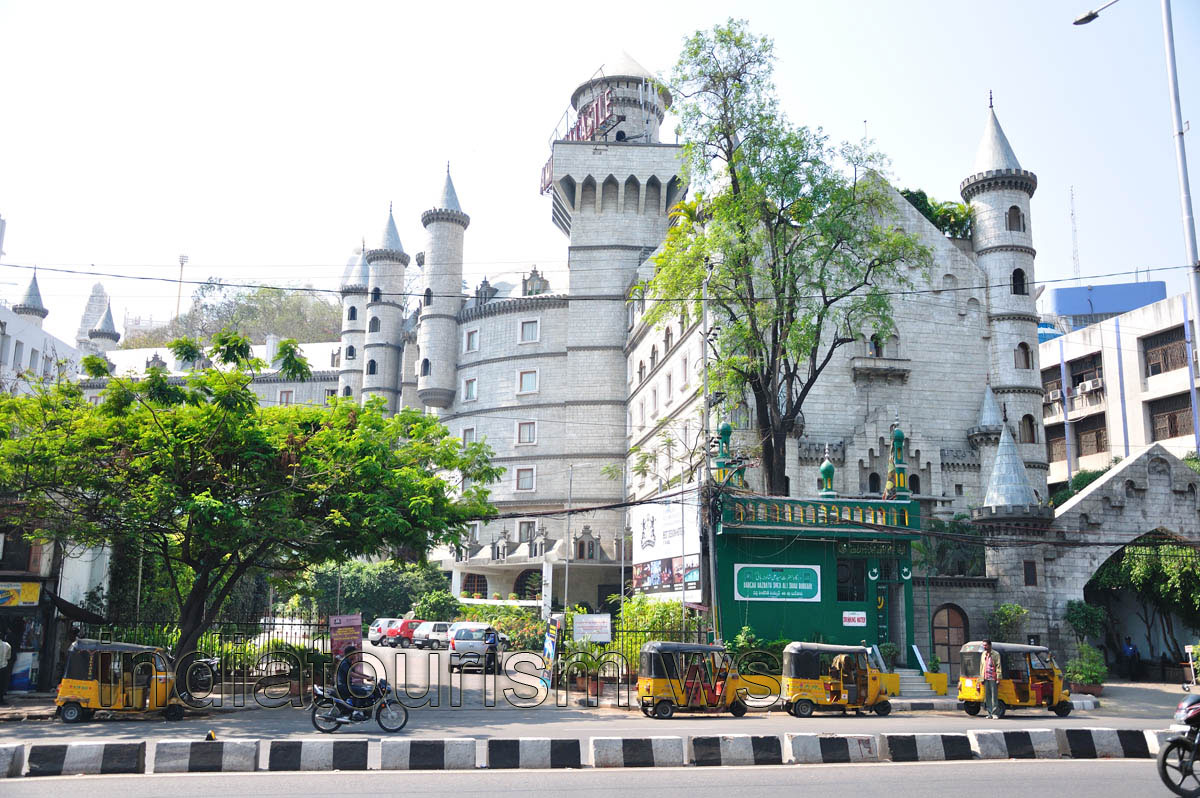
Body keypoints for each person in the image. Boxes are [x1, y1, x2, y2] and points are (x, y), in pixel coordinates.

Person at [334, 645, 377, 720]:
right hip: (342, 686)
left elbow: (356, 672)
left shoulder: (348, 661)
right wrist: (366, 678)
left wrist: (368, 677)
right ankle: (356, 712)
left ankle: (357, 709)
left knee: (362, 689)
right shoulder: (344, 663)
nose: (356, 655)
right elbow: (352, 674)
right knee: (362, 691)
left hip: (346, 685)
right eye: (354, 653)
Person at [979, 639, 1002, 719]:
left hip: (993, 678)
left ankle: (995, 713)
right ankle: (989, 713)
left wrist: (998, 678)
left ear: (989, 645)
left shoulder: (995, 654)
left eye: (985, 645)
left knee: (994, 696)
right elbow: (981, 667)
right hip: (985, 678)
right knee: (987, 696)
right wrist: (981, 678)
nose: (984, 647)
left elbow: (998, 666)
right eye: (983, 645)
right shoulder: (983, 654)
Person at [0, 632, 11, 706]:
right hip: (3, 667)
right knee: (2, 684)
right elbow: (8, 657)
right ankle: (1, 699)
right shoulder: (7, 645)